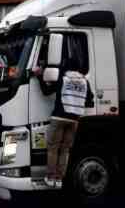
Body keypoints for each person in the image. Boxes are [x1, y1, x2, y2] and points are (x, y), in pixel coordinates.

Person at [36, 61, 94, 189]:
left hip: (58, 117)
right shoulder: (85, 81)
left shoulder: (63, 79)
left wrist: (40, 76)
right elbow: (90, 100)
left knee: (53, 148)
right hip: (74, 120)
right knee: (65, 150)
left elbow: (46, 91)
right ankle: (59, 179)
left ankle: (50, 178)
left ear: (66, 68)